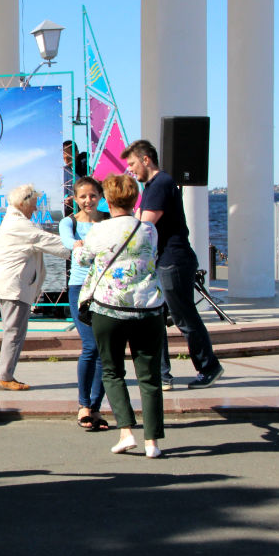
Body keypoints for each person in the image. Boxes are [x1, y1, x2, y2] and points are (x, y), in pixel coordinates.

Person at [76, 173, 165, 458]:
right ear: (134, 198)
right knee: (149, 376)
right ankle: (153, 442)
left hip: (109, 308)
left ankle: (126, 432)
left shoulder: (100, 230)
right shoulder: (149, 229)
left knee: (113, 370)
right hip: (148, 308)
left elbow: (83, 258)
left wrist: (78, 247)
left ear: (108, 199)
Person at [124, 140, 224, 391]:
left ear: (146, 160)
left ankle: (208, 366)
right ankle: (162, 375)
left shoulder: (160, 183)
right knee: (155, 317)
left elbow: (145, 223)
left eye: (133, 164)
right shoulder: (152, 186)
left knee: (184, 317)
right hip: (162, 262)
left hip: (173, 261)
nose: (131, 170)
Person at [0, 184, 71, 391]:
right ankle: (5, 375)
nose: (35, 209)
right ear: (22, 203)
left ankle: (4, 373)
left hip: (12, 285)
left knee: (13, 332)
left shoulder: (15, 221)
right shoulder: (19, 225)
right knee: (14, 332)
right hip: (13, 287)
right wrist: (80, 247)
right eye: (34, 205)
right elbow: (49, 241)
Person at [59, 177, 109, 430]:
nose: (88, 201)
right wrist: (79, 244)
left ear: (100, 196)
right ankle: (83, 405)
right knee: (90, 346)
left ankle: (97, 408)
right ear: (75, 199)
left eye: (92, 195)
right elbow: (68, 241)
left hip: (108, 288)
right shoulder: (69, 222)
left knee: (104, 349)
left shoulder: (109, 220)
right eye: (83, 196)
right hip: (81, 290)